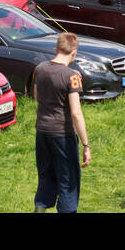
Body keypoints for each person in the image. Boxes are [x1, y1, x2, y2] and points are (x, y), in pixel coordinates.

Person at [32, 32, 91, 212]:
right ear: (74, 53)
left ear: (56, 48)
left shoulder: (40, 68)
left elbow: (36, 98)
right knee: (68, 181)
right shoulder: (71, 76)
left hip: (42, 131)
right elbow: (76, 113)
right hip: (62, 135)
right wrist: (86, 145)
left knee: (46, 176)